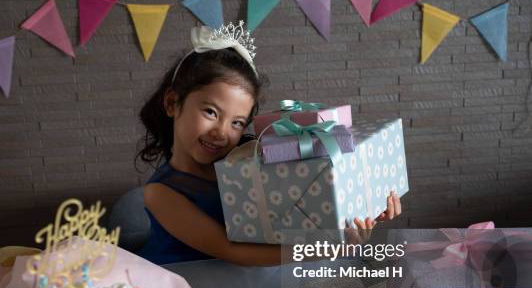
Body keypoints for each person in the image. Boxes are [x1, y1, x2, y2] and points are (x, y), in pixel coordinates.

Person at [135, 22, 401, 266]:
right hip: (187, 286)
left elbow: (307, 204)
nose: (221, 132)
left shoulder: (245, 166)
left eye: (237, 123)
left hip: (253, 276)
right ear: (172, 103)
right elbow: (232, 251)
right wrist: (328, 250)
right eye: (211, 113)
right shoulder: (160, 193)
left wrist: (364, 207)